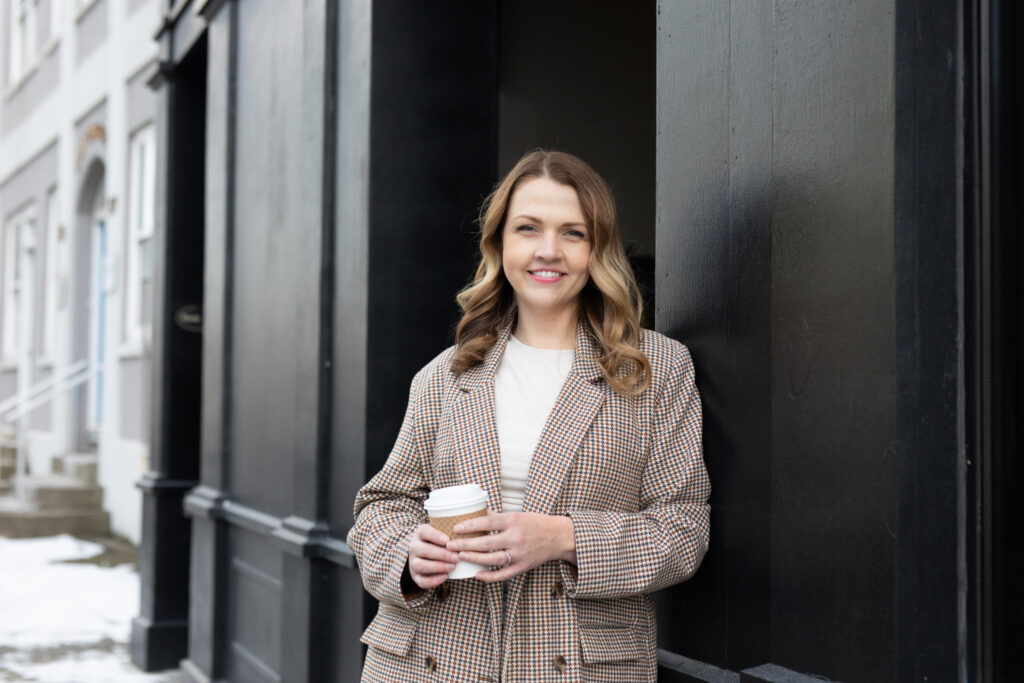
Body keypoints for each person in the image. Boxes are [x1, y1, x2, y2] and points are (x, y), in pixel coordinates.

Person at [347, 150, 710, 682]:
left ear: (598, 249)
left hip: (578, 666)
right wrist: (407, 553)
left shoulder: (655, 369)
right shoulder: (444, 375)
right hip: (429, 662)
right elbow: (381, 506)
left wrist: (564, 538)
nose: (548, 251)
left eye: (572, 233)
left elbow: (683, 530)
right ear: (499, 245)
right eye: (528, 228)